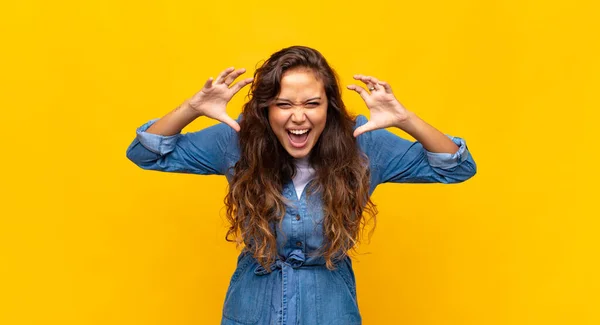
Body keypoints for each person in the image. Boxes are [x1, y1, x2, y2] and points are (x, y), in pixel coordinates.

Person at [126, 45, 476, 325]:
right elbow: (146, 153)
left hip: (330, 309)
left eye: (312, 103)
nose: (298, 116)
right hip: (252, 308)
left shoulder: (364, 144)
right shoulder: (236, 140)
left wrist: (406, 120)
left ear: (330, 107)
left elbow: (456, 167)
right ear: (266, 110)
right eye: (284, 105)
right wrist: (192, 108)